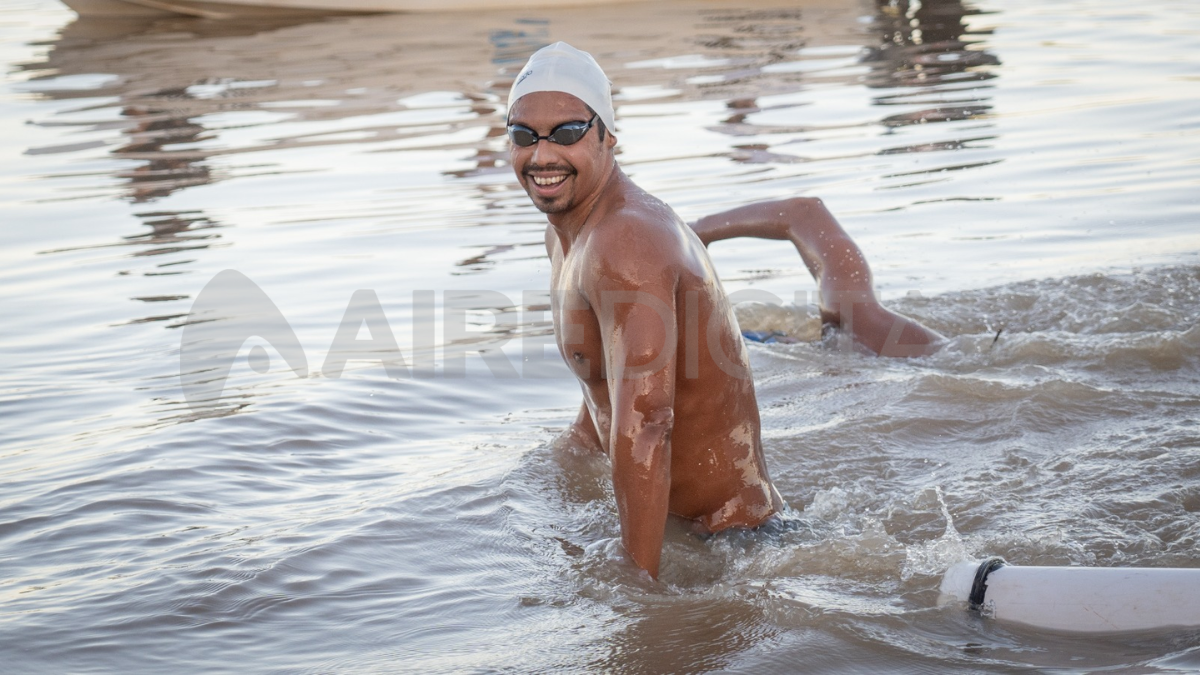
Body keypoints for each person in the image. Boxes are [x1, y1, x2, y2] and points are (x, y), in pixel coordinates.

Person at [507, 42, 944, 579]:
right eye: (523, 135)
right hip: (699, 535)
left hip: (737, 545)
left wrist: (634, 585)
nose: (542, 154)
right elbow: (604, 381)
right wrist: (563, 461)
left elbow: (647, 421)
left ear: (608, 136)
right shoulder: (569, 238)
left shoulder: (625, 242)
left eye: (567, 132)